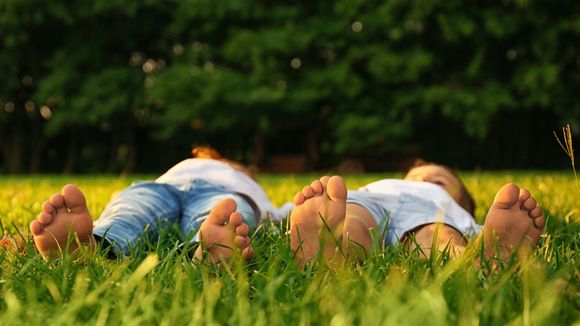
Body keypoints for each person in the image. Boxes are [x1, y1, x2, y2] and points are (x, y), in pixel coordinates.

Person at [28, 147, 292, 263]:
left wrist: (304, 210)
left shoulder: (249, 185)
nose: (230, 166)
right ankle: (92, 243)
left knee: (229, 216)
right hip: (162, 187)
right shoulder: (191, 164)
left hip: (225, 195)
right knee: (133, 209)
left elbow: (280, 214)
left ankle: (208, 247)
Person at [289, 160, 546, 267]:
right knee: (353, 220)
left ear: (464, 206)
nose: (425, 180)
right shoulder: (387, 184)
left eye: (439, 181)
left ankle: (480, 259)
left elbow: (475, 230)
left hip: (432, 212)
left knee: (436, 233)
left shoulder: (454, 210)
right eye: (418, 177)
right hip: (371, 199)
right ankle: (333, 249)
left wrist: (492, 237)